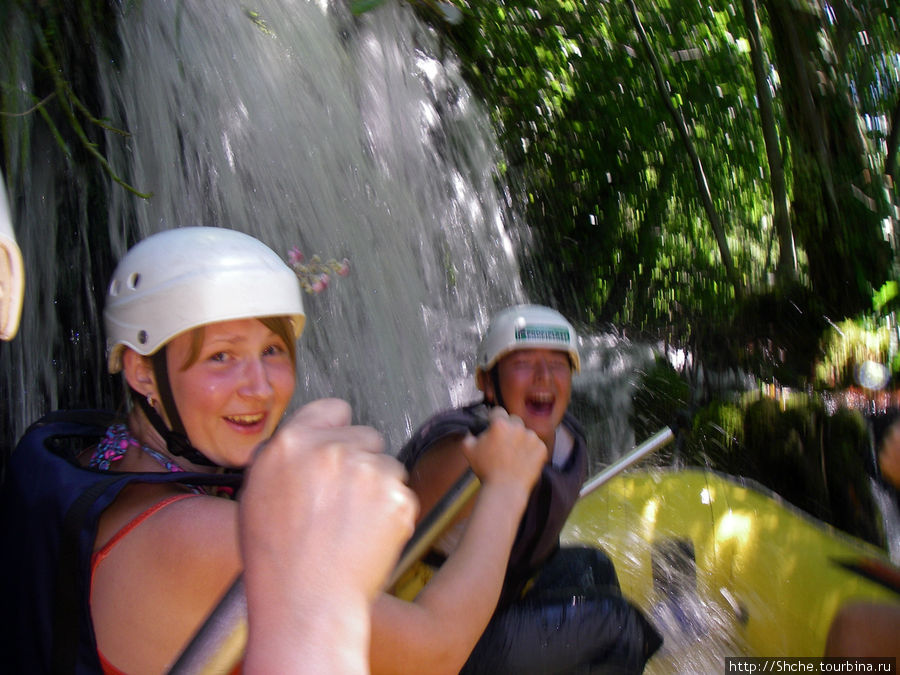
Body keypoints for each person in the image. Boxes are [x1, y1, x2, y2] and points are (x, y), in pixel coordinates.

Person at [0, 227, 547, 674]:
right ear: (143, 371)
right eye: (220, 357)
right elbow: (435, 652)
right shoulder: (200, 540)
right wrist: (505, 487)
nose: (260, 388)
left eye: (271, 350)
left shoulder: (95, 455)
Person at [399, 304, 662, 673]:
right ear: (487, 383)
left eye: (557, 364)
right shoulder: (463, 454)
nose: (544, 378)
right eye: (523, 363)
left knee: (592, 566)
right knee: (619, 627)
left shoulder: (566, 443)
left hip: (496, 601)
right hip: (434, 635)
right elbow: (388, 556)